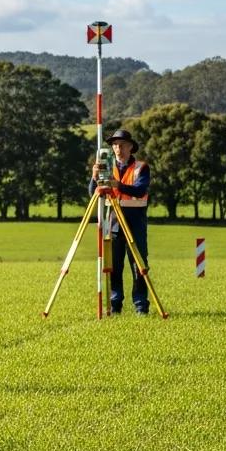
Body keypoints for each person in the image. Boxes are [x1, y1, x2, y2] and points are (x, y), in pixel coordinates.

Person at [90, 128, 150, 315]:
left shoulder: (141, 167)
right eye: (115, 145)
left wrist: (118, 185)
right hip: (114, 223)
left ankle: (141, 306)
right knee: (115, 266)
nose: (118, 148)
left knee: (138, 265)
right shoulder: (106, 166)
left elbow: (140, 190)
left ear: (131, 147)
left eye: (122, 145)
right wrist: (94, 177)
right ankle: (115, 305)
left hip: (135, 223)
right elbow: (94, 193)